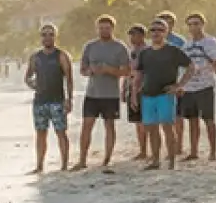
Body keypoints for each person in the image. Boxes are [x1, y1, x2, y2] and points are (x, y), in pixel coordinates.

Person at [131, 18, 195, 170]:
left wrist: (179, 85)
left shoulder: (173, 51)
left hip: (165, 95)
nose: (156, 33)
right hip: (147, 95)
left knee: (167, 128)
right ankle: (155, 160)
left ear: (166, 32)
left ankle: (172, 162)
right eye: (153, 30)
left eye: (160, 30)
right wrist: (134, 94)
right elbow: (139, 75)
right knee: (151, 129)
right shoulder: (145, 53)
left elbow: (191, 67)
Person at [76, 15, 131, 170]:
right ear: (97, 28)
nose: (104, 31)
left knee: (109, 126)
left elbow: (127, 71)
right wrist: (90, 71)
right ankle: (82, 159)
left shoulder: (120, 47)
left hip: (111, 94)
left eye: (107, 28)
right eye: (101, 28)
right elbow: (82, 70)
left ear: (113, 28)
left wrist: (110, 70)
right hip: (92, 93)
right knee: (87, 125)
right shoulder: (90, 46)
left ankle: (107, 159)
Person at [24, 23, 74, 173]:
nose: (47, 37)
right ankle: (39, 165)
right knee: (40, 134)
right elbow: (27, 77)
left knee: (61, 133)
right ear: (40, 37)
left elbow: (69, 79)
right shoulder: (35, 57)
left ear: (55, 36)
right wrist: (33, 85)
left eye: (50, 34)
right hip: (40, 101)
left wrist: (69, 99)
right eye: (44, 34)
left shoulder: (61, 55)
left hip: (57, 101)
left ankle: (64, 165)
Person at [179, 12, 216, 161]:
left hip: (205, 86)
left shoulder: (211, 43)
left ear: (203, 24)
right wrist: (181, 85)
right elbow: (183, 67)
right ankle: (194, 151)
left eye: (196, 23)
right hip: (189, 87)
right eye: (190, 24)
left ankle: (213, 152)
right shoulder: (186, 45)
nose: (193, 27)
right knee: (192, 120)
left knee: (209, 119)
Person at [156, 11, 189, 155]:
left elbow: (185, 65)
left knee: (178, 116)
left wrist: (181, 84)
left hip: (175, 82)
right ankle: (168, 145)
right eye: (162, 21)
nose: (166, 24)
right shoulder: (154, 40)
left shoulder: (180, 41)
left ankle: (179, 146)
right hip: (158, 83)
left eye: (169, 21)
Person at [122, 24, 150, 162]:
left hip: (144, 88)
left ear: (142, 35)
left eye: (135, 34)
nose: (132, 37)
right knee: (137, 122)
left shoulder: (147, 50)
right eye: (131, 35)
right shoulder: (130, 51)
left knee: (148, 122)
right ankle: (143, 150)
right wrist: (123, 89)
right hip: (130, 87)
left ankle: (151, 150)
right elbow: (128, 72)